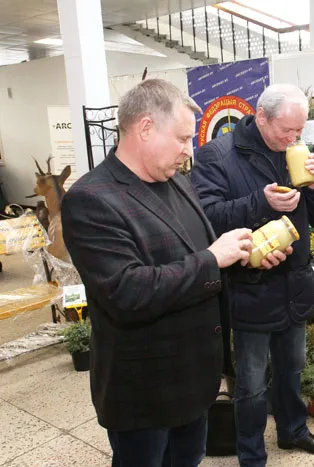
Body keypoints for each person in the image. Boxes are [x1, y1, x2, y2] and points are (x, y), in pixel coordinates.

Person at [61, 78, 289, 467]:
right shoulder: (91, 199)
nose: (188, 151)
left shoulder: (178, 183)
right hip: (144, 394)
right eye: (183, 139)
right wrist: (214, 258)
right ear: (145, 128)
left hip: (194, 384)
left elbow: (199, 262)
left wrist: (245, 261)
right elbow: (127, 292)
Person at [191, 83, 314, 467]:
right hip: (250, 287)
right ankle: (252, 455)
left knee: (292, 369)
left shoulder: (295, 153)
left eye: (299, 131)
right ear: (261, 117)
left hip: (295, 284)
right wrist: (261, 202)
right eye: (285, 131)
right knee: (252, 384)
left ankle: (293, 431)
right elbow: (205, 218)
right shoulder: (218, 156)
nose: (293, 138)